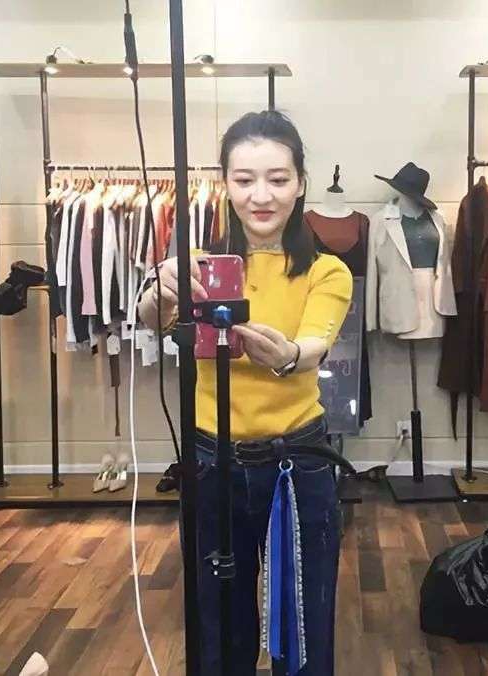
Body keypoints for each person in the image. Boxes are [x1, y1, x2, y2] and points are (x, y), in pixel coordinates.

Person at [138, 110, 352, 676]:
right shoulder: (198, 267)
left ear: (300, 183)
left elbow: (315, 344)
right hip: (212, 460)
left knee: (304, 622)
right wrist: (160, 292)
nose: (261, 195)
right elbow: (152, 320)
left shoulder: (326, 271)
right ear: (225, 184)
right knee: (215, 619)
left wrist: (288, 356)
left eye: (278, 179)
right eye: (244, 179)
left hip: (297, 461)